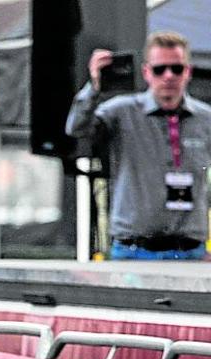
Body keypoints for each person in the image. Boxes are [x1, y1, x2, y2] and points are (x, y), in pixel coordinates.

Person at [66, 31, 211, 260]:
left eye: (177, 69)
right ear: (146, 72)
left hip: (190, 249)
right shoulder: (122, 111)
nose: (168, 76)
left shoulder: (206, 118)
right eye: (159, 69)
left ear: (188, 72)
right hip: (134, 249)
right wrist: (94, 86)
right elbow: (77, 129)